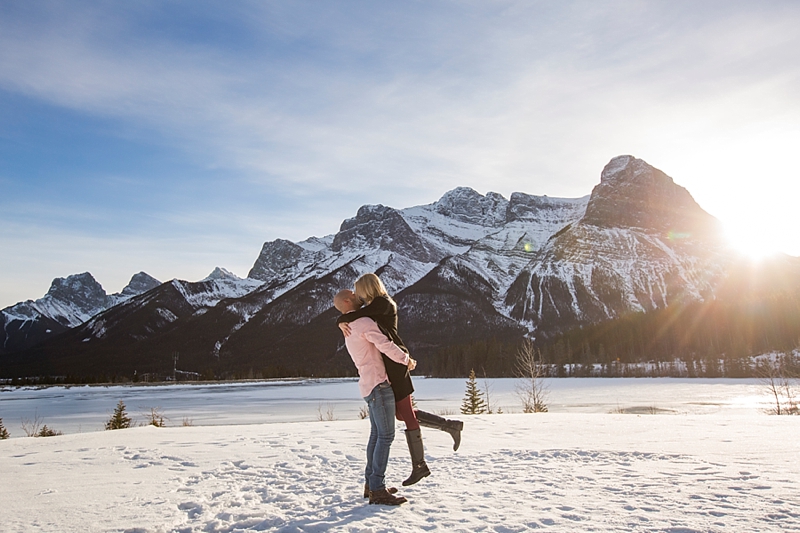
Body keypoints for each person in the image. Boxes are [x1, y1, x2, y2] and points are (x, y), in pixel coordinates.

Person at [337, 273, 464, 487]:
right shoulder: (377, 304)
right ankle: (449, 426)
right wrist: (342, 319)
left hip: (396, 363)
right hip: (392, 362)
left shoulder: (383, 303)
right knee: (400, 413)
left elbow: (360, 315)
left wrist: (341, 318)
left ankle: (420, 465)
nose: (357, 294)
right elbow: (360, 315)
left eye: (358, 289)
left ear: (368, 288)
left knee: (404, 412)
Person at [333, 289, 412, 506]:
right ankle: (377, 489)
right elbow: (384, 345)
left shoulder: (349, 327)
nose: (358, 295)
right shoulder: (364, 322)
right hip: (378, 385)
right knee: (385, 436)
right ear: (348, 300)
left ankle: (372, 483)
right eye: (353, 294)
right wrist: (406, 360)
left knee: (377, 435)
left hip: (368, 386)